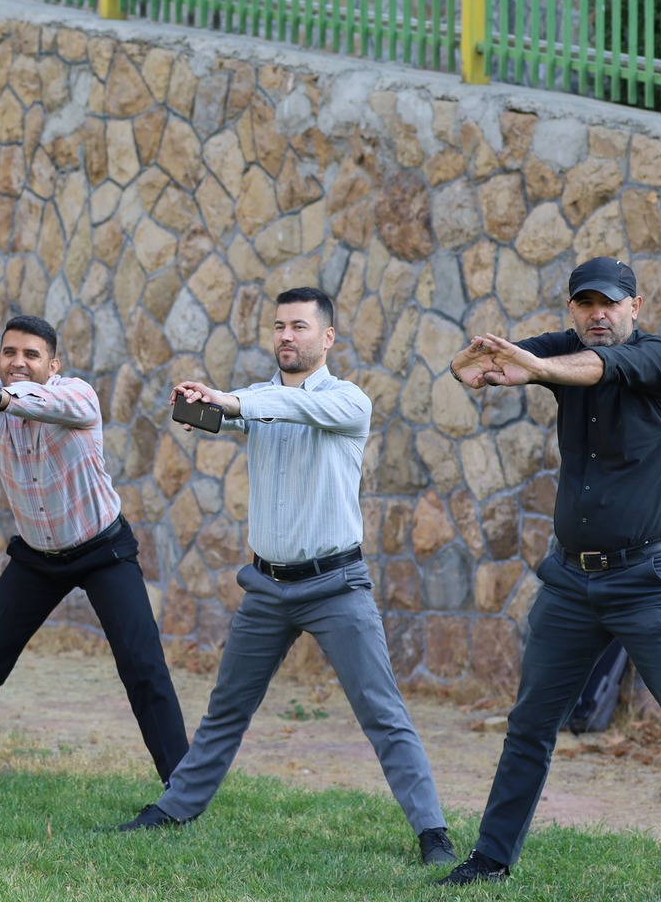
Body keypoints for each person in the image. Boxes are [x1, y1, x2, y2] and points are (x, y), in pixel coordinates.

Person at [441, 257, 661, 902]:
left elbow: (595, 369)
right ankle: (491, 857)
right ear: (572, 309)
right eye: (585, 303)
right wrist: (472, 364)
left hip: (646, 578)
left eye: (610, 302)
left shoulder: (659, 358)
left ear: (635, 306)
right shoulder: (564, 347)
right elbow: (476, 364)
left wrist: (533, 368)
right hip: (570, 579)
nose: (598, 314)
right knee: (530, 722)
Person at [113, 287, 455, 866]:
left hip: (336, 586)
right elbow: (235, 413)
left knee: (382, 712)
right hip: (267, 589)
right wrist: (200, 404)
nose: (286, 336)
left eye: (299, 326)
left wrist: (232, 402)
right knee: (226, 708)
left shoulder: (348, 402)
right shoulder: (255, 400)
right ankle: (175, 808)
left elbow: (287, 407)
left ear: (328, 337)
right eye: (278, 326)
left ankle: (433, 833)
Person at [0, 315, 189, 797]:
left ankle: (183, 790)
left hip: (103, 549)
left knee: (143, 667)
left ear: (53, 365)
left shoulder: (77, 396)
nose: (18, 362)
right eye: (9, 352)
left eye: (31, 354)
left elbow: (33, 402)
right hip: (36, 557)